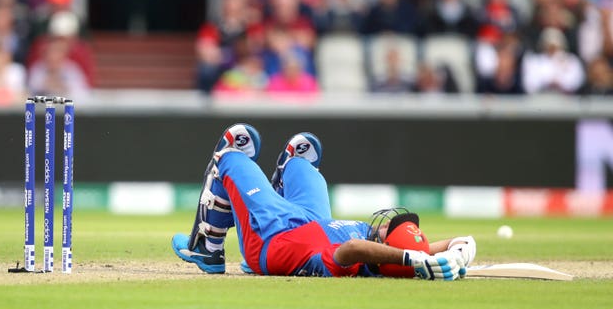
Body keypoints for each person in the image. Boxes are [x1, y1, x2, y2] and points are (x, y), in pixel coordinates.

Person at [171, 124, 474, 279]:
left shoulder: (350, 261)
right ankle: (281, 181)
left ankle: (207, 249)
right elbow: (423, 250)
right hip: (307, 218)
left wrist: (409, 260)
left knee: (230, 152)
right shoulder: (387, 250)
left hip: (270, 238)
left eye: (387, 232)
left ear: (387, 254)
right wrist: (461, 246)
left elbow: (354, 249)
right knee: (302, 159)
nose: (382, 228)